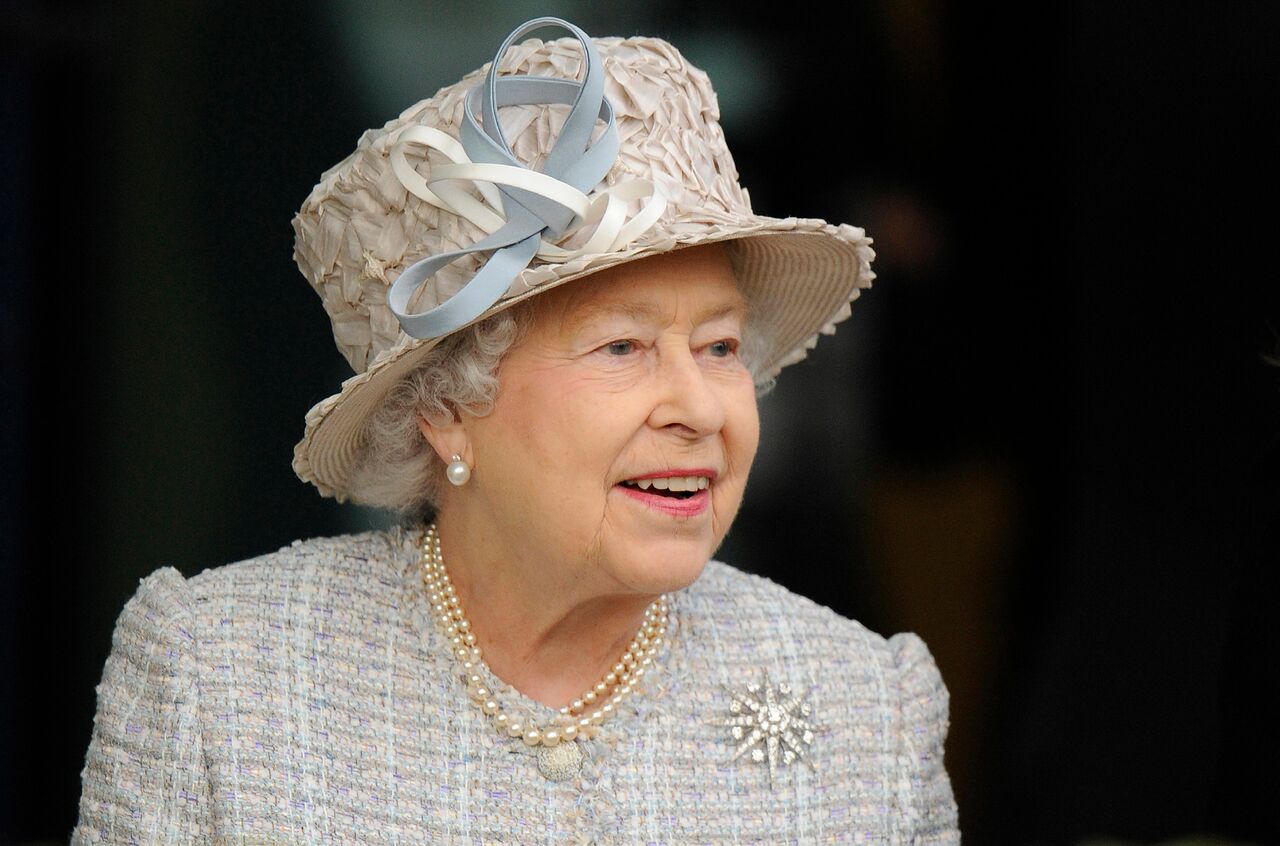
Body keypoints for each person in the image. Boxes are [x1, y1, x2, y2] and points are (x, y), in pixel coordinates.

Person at [72, 16, 959, 843]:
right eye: (623, 347)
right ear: (447, 409)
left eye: (720, 345)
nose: (700, 407)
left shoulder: (867, 708)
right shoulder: (216, 678)